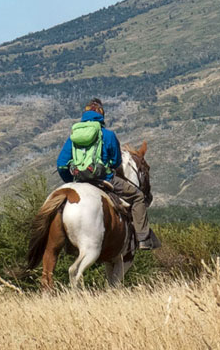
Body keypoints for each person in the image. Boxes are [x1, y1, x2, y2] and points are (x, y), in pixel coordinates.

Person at [56, 98, 158, 250]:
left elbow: (61, 164)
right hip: (103, 178)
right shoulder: (108, 135)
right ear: (101, 114)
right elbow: (116, 162)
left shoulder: (73, 136)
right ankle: (143, 238)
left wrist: (71, 180)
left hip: (79, 180)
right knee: (137, 197)